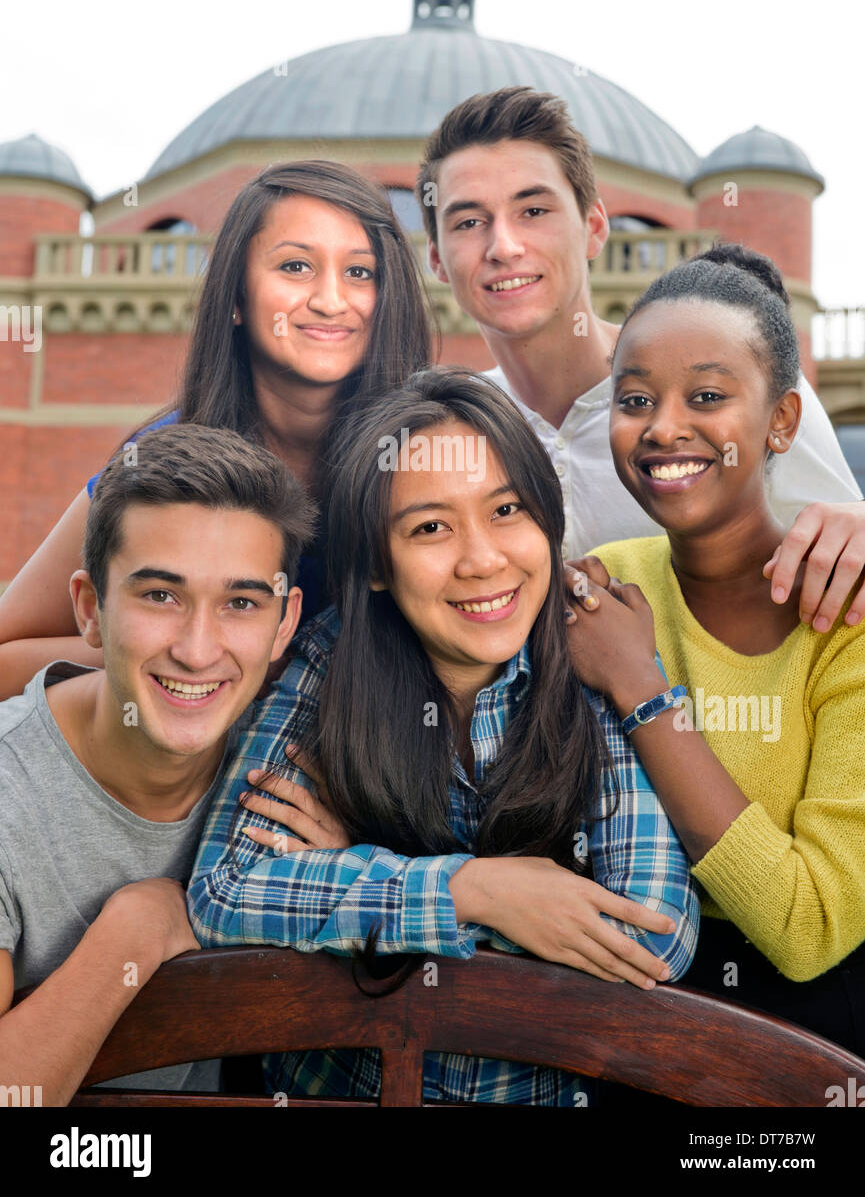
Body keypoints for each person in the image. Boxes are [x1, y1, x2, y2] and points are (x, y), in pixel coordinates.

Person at [188, 368, 699, 1106]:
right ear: (371, 565)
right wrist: (474, 890)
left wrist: (362, 882)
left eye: (506, 510)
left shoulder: (590, 653)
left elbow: (652, 936)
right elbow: (225, 891)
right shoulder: (331, 661)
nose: (482, 559)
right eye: (430, 527)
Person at [417, 85, 865, 634]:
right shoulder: (453, 429)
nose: (503, 246)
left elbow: (842, 544)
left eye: (533, 210)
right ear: (436, 258)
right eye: (468, 222)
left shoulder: (741, 380)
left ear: (594, 228)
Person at [566, 257, 865, 1056]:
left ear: (780, 421)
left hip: (808, 1050)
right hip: (610, 1030)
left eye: (706, 396)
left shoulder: (850, 618)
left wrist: (641, 690)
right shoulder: (597, 588)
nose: (663, 427)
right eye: (635, 400)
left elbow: (811, 925)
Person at [0, 161, 432, 699]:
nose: (330, 300)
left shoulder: (431, 454)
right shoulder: (163, 457)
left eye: (360, 273)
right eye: (295, 266)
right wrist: (182, 652)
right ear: (235, 297)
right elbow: (7, 654)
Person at [0, 423, 314, 1104]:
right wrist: (136, 930)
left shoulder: (292, 763)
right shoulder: (8, 798)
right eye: (160, 596)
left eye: (239, 603)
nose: (198, 651)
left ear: (284, 624)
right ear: (90, 609)